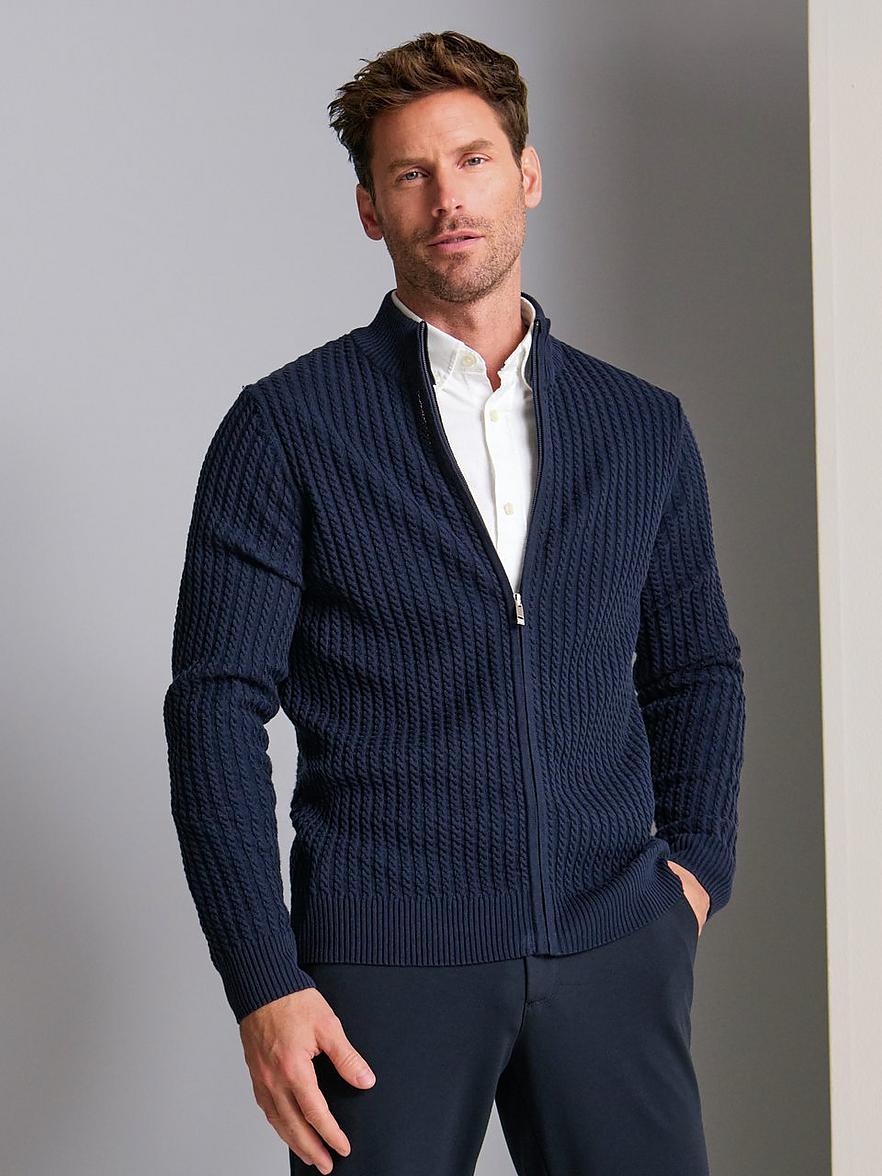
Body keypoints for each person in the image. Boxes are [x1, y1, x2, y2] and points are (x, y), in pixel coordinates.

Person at [163, 29, 746, 1176]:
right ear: (369, 208)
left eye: (474, 161)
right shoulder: (286, 428)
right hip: (385, 963)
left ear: (528, 174)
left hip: (615, 941)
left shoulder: (643, 428)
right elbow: (214, 706)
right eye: (410, 174)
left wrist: (694, 873)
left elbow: (696, 669)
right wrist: (263, 979)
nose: (449, 199)